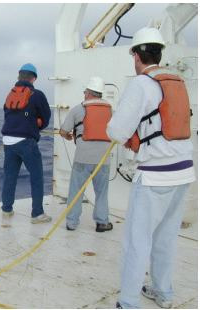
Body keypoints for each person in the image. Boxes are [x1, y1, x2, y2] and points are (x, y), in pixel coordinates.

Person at [106, 27, 196, 309]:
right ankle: (164, 293)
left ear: (136, 55)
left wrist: (130, 137)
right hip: (184, 172)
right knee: (166, 236)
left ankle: (129, 303)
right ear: (159, 52)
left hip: (156, 174)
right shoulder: (177, 80)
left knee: (137, 241)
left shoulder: (141, 84)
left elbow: (116, 129)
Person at [59, 76, 113, 232]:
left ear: (89, 92)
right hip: (104, 158)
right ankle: (102, 222)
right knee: (102, 192)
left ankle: (71, 223)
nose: (84, 94)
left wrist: (68, 136)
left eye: (85, 91)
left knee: (76, 190)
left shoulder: (78, 109)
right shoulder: (110, 110)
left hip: (83, 157)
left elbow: (63, 130)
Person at [1, 63, 52, 224]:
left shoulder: (10, 94)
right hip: (26, 142)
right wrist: (37, 125)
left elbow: (7, 114)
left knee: (10, 177)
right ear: (33, 78)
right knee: (36, 177)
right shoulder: (37, 94)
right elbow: (46, 117)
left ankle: (7, 209)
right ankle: (37, 214)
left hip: (8, 141)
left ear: (19, 76)